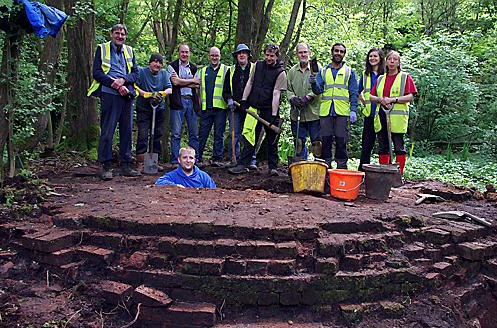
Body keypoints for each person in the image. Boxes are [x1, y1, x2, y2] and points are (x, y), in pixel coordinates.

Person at [87, 23, 140, 180]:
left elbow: (136, 74)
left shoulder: (129, 51)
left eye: (122, 34)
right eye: (117, 33)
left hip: (127, 94)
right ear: (111, 34)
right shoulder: (102, 49)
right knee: (108, 130)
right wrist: (114, 84)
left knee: (127, 130)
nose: (120, 36)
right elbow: (96, 72)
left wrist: (123, 80)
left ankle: (126, 164)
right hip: (109, 93)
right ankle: (106, 165)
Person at [229, 43, 287, 176]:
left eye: (272, 56)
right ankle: (243, 164)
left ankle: (273, 167)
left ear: (277, 56)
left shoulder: (281, 72)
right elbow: (250, 82)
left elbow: (276, 93)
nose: (269, 58)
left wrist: (273, 115)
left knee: (272, 140)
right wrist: (244, 100)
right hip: (254, 108)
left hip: (269, 110)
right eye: (267, 55)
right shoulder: (258, 66)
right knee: (249, 136)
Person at [310, 43, 358, 169]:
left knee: (341, 140)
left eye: (341, 52)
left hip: (342, 111)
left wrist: (353, 110)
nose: (338, 53)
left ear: (344, 54)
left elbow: (353, 92)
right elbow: (318, 91)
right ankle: (326, 165)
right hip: (326, 111)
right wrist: (314, 83)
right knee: (325, 140)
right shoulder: (324, 71)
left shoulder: (349, 72)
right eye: (336, 51)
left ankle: (341, 166)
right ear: (332, 52)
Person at [369, 50, 417, 176]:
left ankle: (398, 174)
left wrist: (393, 100)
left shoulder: (405, 77)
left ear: (399, 62)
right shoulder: (380, 79)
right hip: (382, 116)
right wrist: (380, 99)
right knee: (383, 146)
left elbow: (410, 96)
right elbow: (371, 96)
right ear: (386, 61)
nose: (392, 62)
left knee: (398, 147)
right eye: (390, 59)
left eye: (395, 59)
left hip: (397, 118)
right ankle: (384, 172)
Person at [135, 53, 172, 170]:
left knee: (157, 135)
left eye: (160, 62)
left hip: (158, 109)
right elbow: (135, 86)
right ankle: (141, 162)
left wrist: (162, 93)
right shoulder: (142, 72)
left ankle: (154, 162)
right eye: (155, 62)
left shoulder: (164, 73)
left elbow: (169, 89)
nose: (157, 64)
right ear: (150, 62)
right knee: (143, 134)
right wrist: (146, 94)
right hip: (144, 109)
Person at [222, 43, 257, 168]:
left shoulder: (254, 69)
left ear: (248, 55)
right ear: (236, 56)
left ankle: (251, 161)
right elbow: (225, 90)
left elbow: (258, 88)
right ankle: (234, 160)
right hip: (235, 109)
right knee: (234, 134)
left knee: (249, 134)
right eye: (239, 53)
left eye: (244, 53)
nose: (242, 55)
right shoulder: (231, 70)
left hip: (250, 108)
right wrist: (229, 100)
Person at [168, 44, 201, 165]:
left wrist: (181, 81)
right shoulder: (172, 66)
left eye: (186, 52)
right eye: (182, 52)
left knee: (194, 133)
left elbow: (197, 84)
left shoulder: (194, 68)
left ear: (189, 53)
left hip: (192, 102)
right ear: (178, 53)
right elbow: (174, 82)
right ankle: (175, 160)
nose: (184, 54)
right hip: (177, 101)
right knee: (176, 133)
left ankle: (194, 159)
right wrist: (190, 81)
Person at [287, 43, 321, 160]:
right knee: (299, 143)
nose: (303, 54)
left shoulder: (317, 69)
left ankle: (319, 171)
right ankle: (301, 169)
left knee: (317, 145)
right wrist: (292, 99)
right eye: (300, 52)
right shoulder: (292, 71)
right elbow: (288, 89)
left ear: (309, 53)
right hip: (297, 114)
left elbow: (321, 87)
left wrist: (308, 97)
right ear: (296, 54)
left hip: (314, 113)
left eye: (305, 52)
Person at [196, 47, 228, 166]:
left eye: (217, 55)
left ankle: (217, 158)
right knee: (203, 133)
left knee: (219, 134)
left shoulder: (226, 70)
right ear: (209, 56)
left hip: (221, 108)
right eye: (212, 55)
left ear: (220, 56)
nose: (214, 58)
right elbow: (198, 89)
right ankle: (198, 157)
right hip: (206, 108)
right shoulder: (203, 71)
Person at [357, 48, 385, 171]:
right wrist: (365, 103)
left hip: (383, 114)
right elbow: (358, 92)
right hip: (369, 114)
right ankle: (362, 171)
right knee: (367, 144)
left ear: (380, 58)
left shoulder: (385, 74)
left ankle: (384, 171)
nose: (372, 58)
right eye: (370, 56)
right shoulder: (365, 74)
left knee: (383, 144)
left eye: (375, 56)